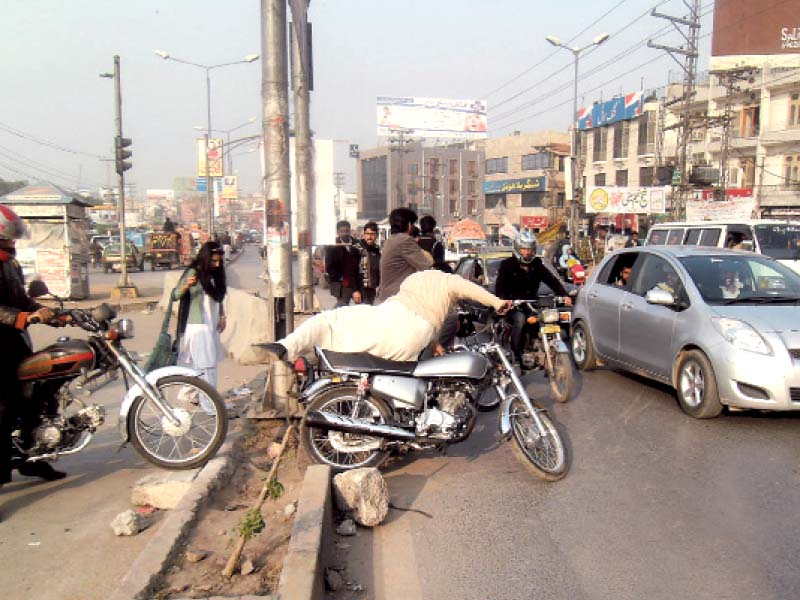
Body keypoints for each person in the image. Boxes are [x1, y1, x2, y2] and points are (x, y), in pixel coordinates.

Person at [263, 269, 511, 362]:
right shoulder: (447, 281)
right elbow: (469, 289)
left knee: (328, 320)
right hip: (414, 332)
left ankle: (286, 346)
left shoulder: (414, 278)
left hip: (387, 316)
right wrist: (498, 302)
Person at [0, 206, 66, 495]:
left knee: (39, 397)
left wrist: (45, 312)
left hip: (15, 343)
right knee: (4, 411)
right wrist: (22, 318)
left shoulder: (11, 265)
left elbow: (22, 299)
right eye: (8, 238)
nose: (12, 243)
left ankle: (33, 457)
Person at [495, 232, 571, 366]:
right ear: (518, 249)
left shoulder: (537, 264)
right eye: (524, 249)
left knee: (548, 319)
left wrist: (564, 295)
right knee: (520, 319)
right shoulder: (507, 265)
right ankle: (517, 354)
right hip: (513, 305)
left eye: (529, 250)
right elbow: (500, 288)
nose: (527, 253)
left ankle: (540, 346)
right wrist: (505, 301)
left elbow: (551, 280)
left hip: (532, 304)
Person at [173, 242, 227, 396]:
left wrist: (222, 316)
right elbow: (175, 295)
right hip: (198, 325)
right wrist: (186, 286)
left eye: (219, 261)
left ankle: (187, 393)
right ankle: (211, 407)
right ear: (205, 258)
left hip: (213, 324)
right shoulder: (193, 272)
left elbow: (218, 298)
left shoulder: (216, 274)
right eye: (213, 261)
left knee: (207, 364)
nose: (217, 265)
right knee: (206, 366)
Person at [377, 208, 433, 304]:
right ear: (409, 225)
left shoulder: (390, 240)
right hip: (398, 300)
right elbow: (427, 264)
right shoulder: (405, 240)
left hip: (387, 298)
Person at [325, 221, 363, 307]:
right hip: (342, 285)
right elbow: (329, 266)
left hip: (357, 283)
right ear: (337, 232)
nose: (345, 233)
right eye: (342, 231)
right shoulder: (332, 246)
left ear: (350, 231)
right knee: (341, 308)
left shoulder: (357, 244)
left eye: (347, 231)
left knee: (360, 309)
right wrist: (340, 278)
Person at [356, 221, 381, 305]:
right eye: (367, 233)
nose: (369, 237)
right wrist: (355, 290)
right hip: (361, 288)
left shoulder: (377, 250)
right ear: (364, 234)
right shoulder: (357, 249)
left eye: (373, 234)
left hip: (373, 288)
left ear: (376, 236)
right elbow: (352, 272)